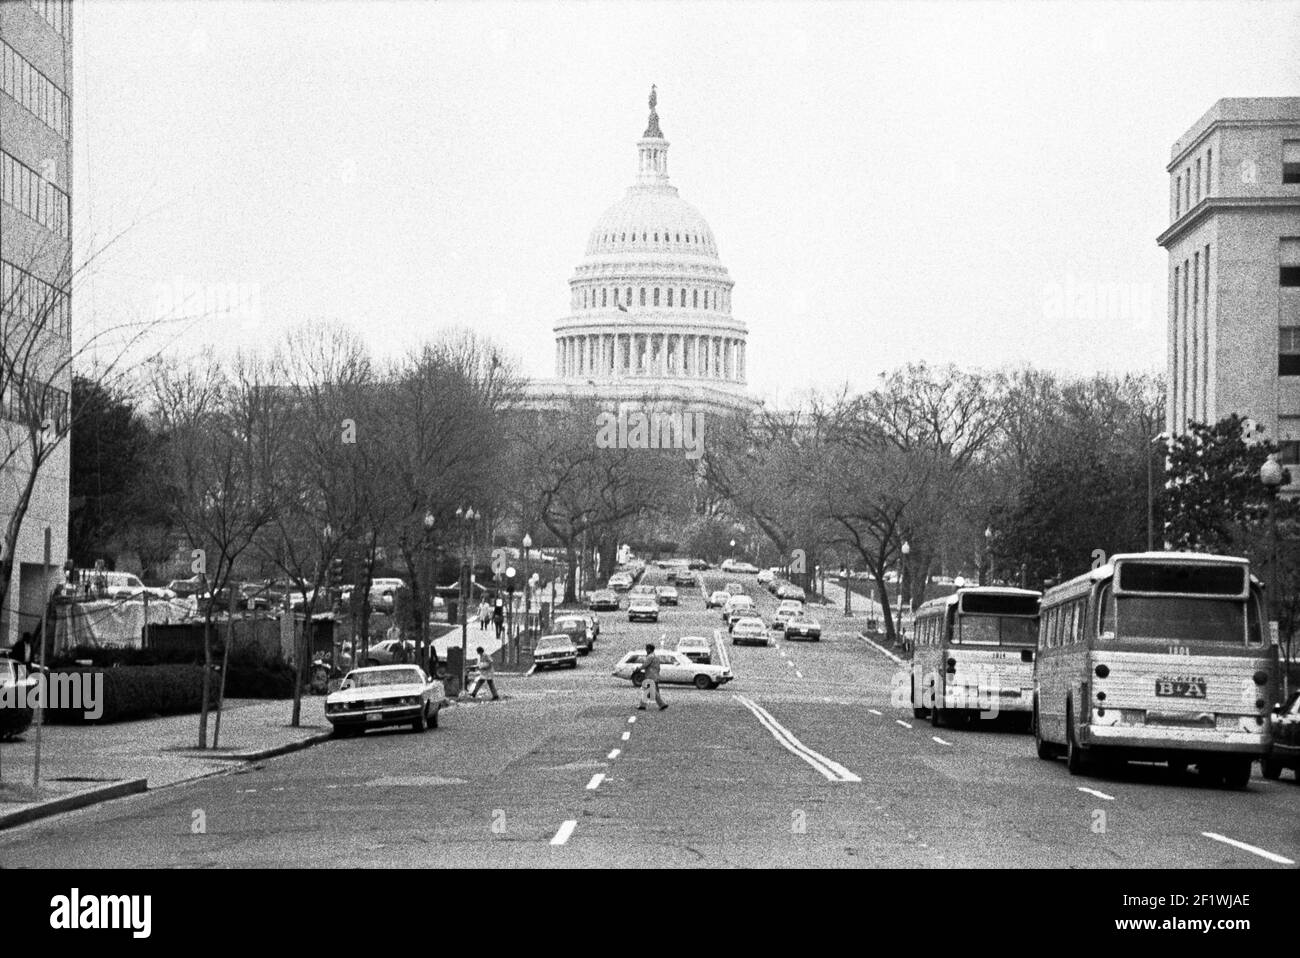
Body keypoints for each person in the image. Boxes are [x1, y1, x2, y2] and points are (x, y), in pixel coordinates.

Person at [638, 642, 667, 711]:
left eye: (646, 649)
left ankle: (662, 704)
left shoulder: (650, 657)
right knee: (654, 691)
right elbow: (658, 667)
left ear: (649, 649)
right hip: (655, 676)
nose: (645, 650)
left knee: (649, 691)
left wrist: (638, 669)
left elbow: (645, 665)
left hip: (650, 676)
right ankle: (661, 705)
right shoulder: (656, 657)